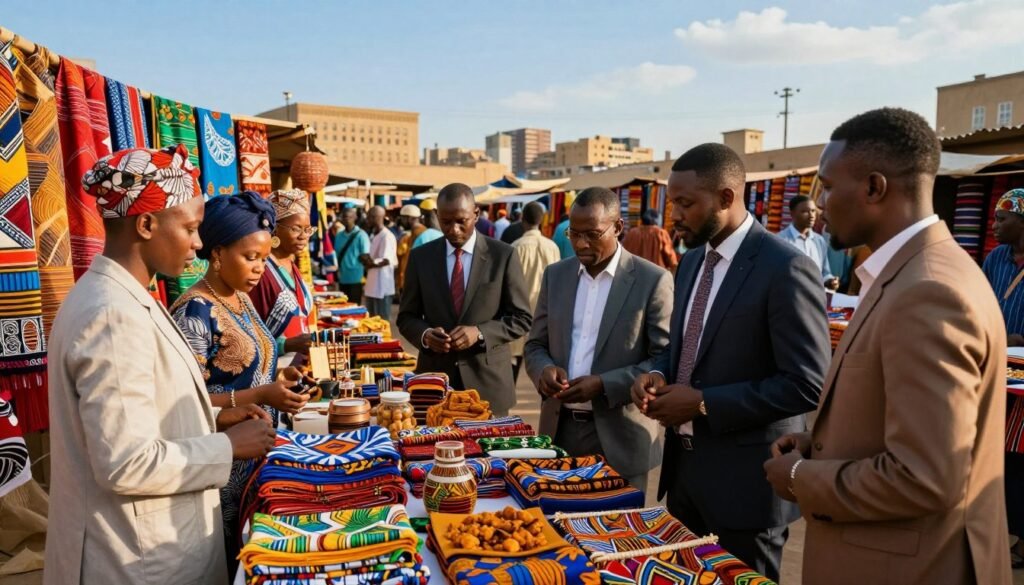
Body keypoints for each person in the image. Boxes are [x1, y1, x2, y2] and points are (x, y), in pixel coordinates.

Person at [763, 108, 1011, 584]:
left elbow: (925, 476)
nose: (821, 204)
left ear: (875, 188)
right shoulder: (906, 275)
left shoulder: (928, 292)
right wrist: (819, 447)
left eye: (829, 187)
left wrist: (801, 479)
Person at [46, 145, 276, 585]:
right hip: (138, 560)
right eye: (191, 228)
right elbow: (126, 462)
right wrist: (228, 447)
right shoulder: (111, 316)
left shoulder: (126, 297)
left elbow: (138, 417)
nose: (198, 243)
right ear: (147, 224)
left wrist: (216, 417)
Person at [631, 143, 829, 580]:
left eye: (685, 203)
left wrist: (702, 403)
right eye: (671, 203)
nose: (674, 216)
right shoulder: (690, 263)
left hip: (747, 486)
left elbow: (806, 383)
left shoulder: (785, 267)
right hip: (684, 476)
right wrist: (656, 374)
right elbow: (681, 349)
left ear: (726, 197)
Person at [171, 191, 308, 568]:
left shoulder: (238, 297)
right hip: (222, 466)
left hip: (256, 461)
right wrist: (262, 394)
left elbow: (252, 361)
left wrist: (281, 375)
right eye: (250, 257)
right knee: (231, 558)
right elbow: (183, 404)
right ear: (216, 253)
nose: (260, 268)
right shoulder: (195, 312)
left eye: (264, 259)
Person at [525, 188, 672, 493]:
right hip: (559, 432)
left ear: (618, 227)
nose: (579, 243)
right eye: (573, 233)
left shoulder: (652, 280)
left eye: (592, 234)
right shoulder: (556, 276)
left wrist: (604, 384)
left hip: (621, 438)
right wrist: (544, 371)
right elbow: (535, 345)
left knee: (617, 535)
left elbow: (664, 358)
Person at [398, 183, 533, 416]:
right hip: (435, 387)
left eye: (462, 221)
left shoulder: (503, 256)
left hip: (487, 386)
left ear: (476, 214)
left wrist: (480, 333)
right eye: (446, 222)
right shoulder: (421, 257)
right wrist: (426, 336)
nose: (454, 230)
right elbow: (406, 316)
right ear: (437, 216)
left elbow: (522, 318)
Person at [983, 187, 1024, 568]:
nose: (995, 225)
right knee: (996, 451)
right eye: (994, 217)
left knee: (1019, 455)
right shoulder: (996, 258)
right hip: (997, 369)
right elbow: (978, 299)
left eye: (1003, 219)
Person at [247, 190, 315, 358]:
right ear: (275, 228)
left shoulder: (292, 266)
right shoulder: (261, 272)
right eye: (296, 229)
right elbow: (247, 336)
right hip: (274, 375)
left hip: (300, 369)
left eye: (307, 230)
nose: (303, 237)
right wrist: (288, 344)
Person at [510, 202, 561, 382]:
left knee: (514, 361)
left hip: (519, 314)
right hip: (544, 313)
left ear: (522, 220)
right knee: (544, 366)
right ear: (542, 220)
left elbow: (510, 284)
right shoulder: (552, 247)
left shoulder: (516, 246)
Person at [779, 195, 840, 291]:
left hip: (815, 297)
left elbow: (824, 272)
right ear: (792, 214)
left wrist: (830, 281)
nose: (811, 215)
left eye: (813, 211)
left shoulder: (819, 241)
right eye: (805, 212)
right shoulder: (781, 241)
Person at [362, 205, 398, 320]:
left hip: (382, 287)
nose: (367, 220)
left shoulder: (387, 236)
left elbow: (386, 260)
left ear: (376, 217)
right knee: (372, 322)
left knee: (382, 322)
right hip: (372, 286)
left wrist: (369, 262)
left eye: (369, 217)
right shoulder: (374, 235)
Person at [334, 205, 370, 304]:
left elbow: (365, 256)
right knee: (343, 307)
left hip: (356, 279)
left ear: (355, 218)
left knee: (354, 307)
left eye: (349, 217)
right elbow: (337, 255)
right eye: (344, 217)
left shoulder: (362, 235)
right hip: (342, 278)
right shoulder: (338, 236)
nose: (346, 219)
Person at [396, 204, 425, 294]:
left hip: (412, 283)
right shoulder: (412, 234)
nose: (402, 222)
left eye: (403, 218)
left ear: (409, 218)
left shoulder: (418, 234)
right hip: (409, 282)